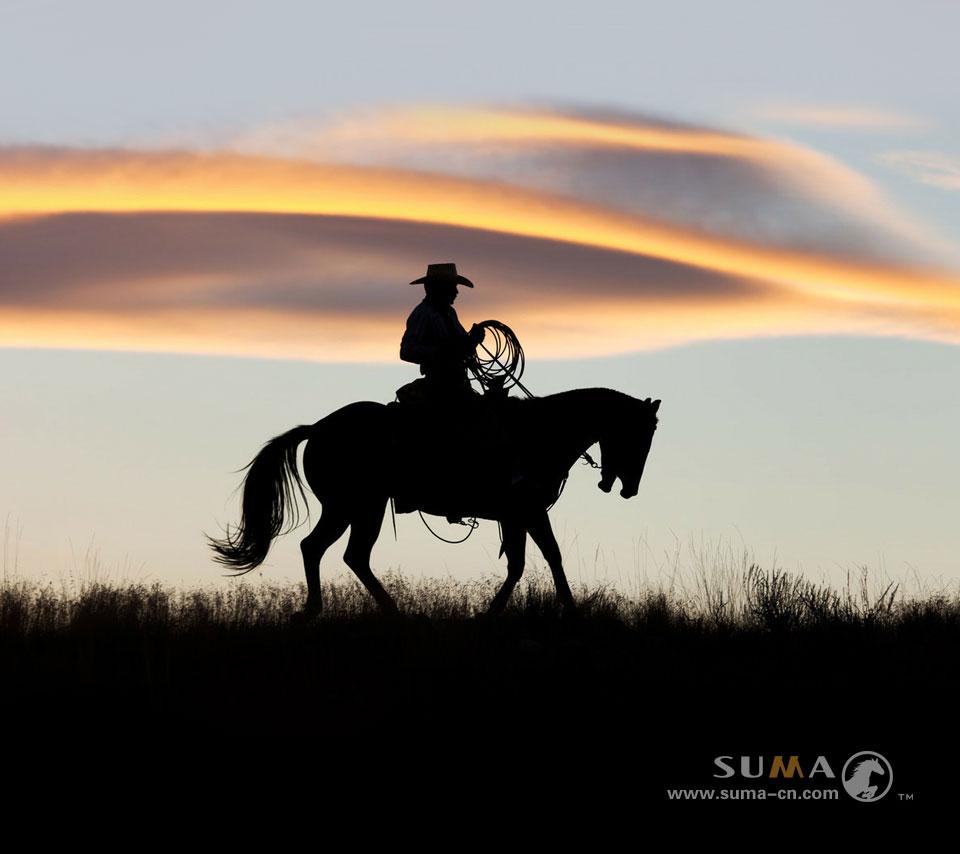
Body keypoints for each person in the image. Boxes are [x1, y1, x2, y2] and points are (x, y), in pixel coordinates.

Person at [400, 262, 485, 402]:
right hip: (438, 386)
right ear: (440, 288)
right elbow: (406, 351)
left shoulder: (449, 313)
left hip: (457, 382)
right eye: (453, 287)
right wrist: (440, 352)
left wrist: (473, 340)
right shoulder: (422, 313)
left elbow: (461, 349)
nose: (456, 292)